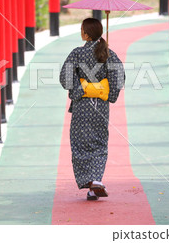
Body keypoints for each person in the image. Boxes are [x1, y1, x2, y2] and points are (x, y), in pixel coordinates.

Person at [59, 18, 125, 201]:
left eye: (82, 29)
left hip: (82, 106)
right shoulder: (107, 53)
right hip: (100, 106)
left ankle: (89, 181)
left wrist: (81, 89)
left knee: (80, 143)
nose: (81, 32)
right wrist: (106, 91)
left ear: (86, 34)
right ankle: (96, 180)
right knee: (99, 141)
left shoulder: (77, 53)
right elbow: (118, 76)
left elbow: (65, 78)